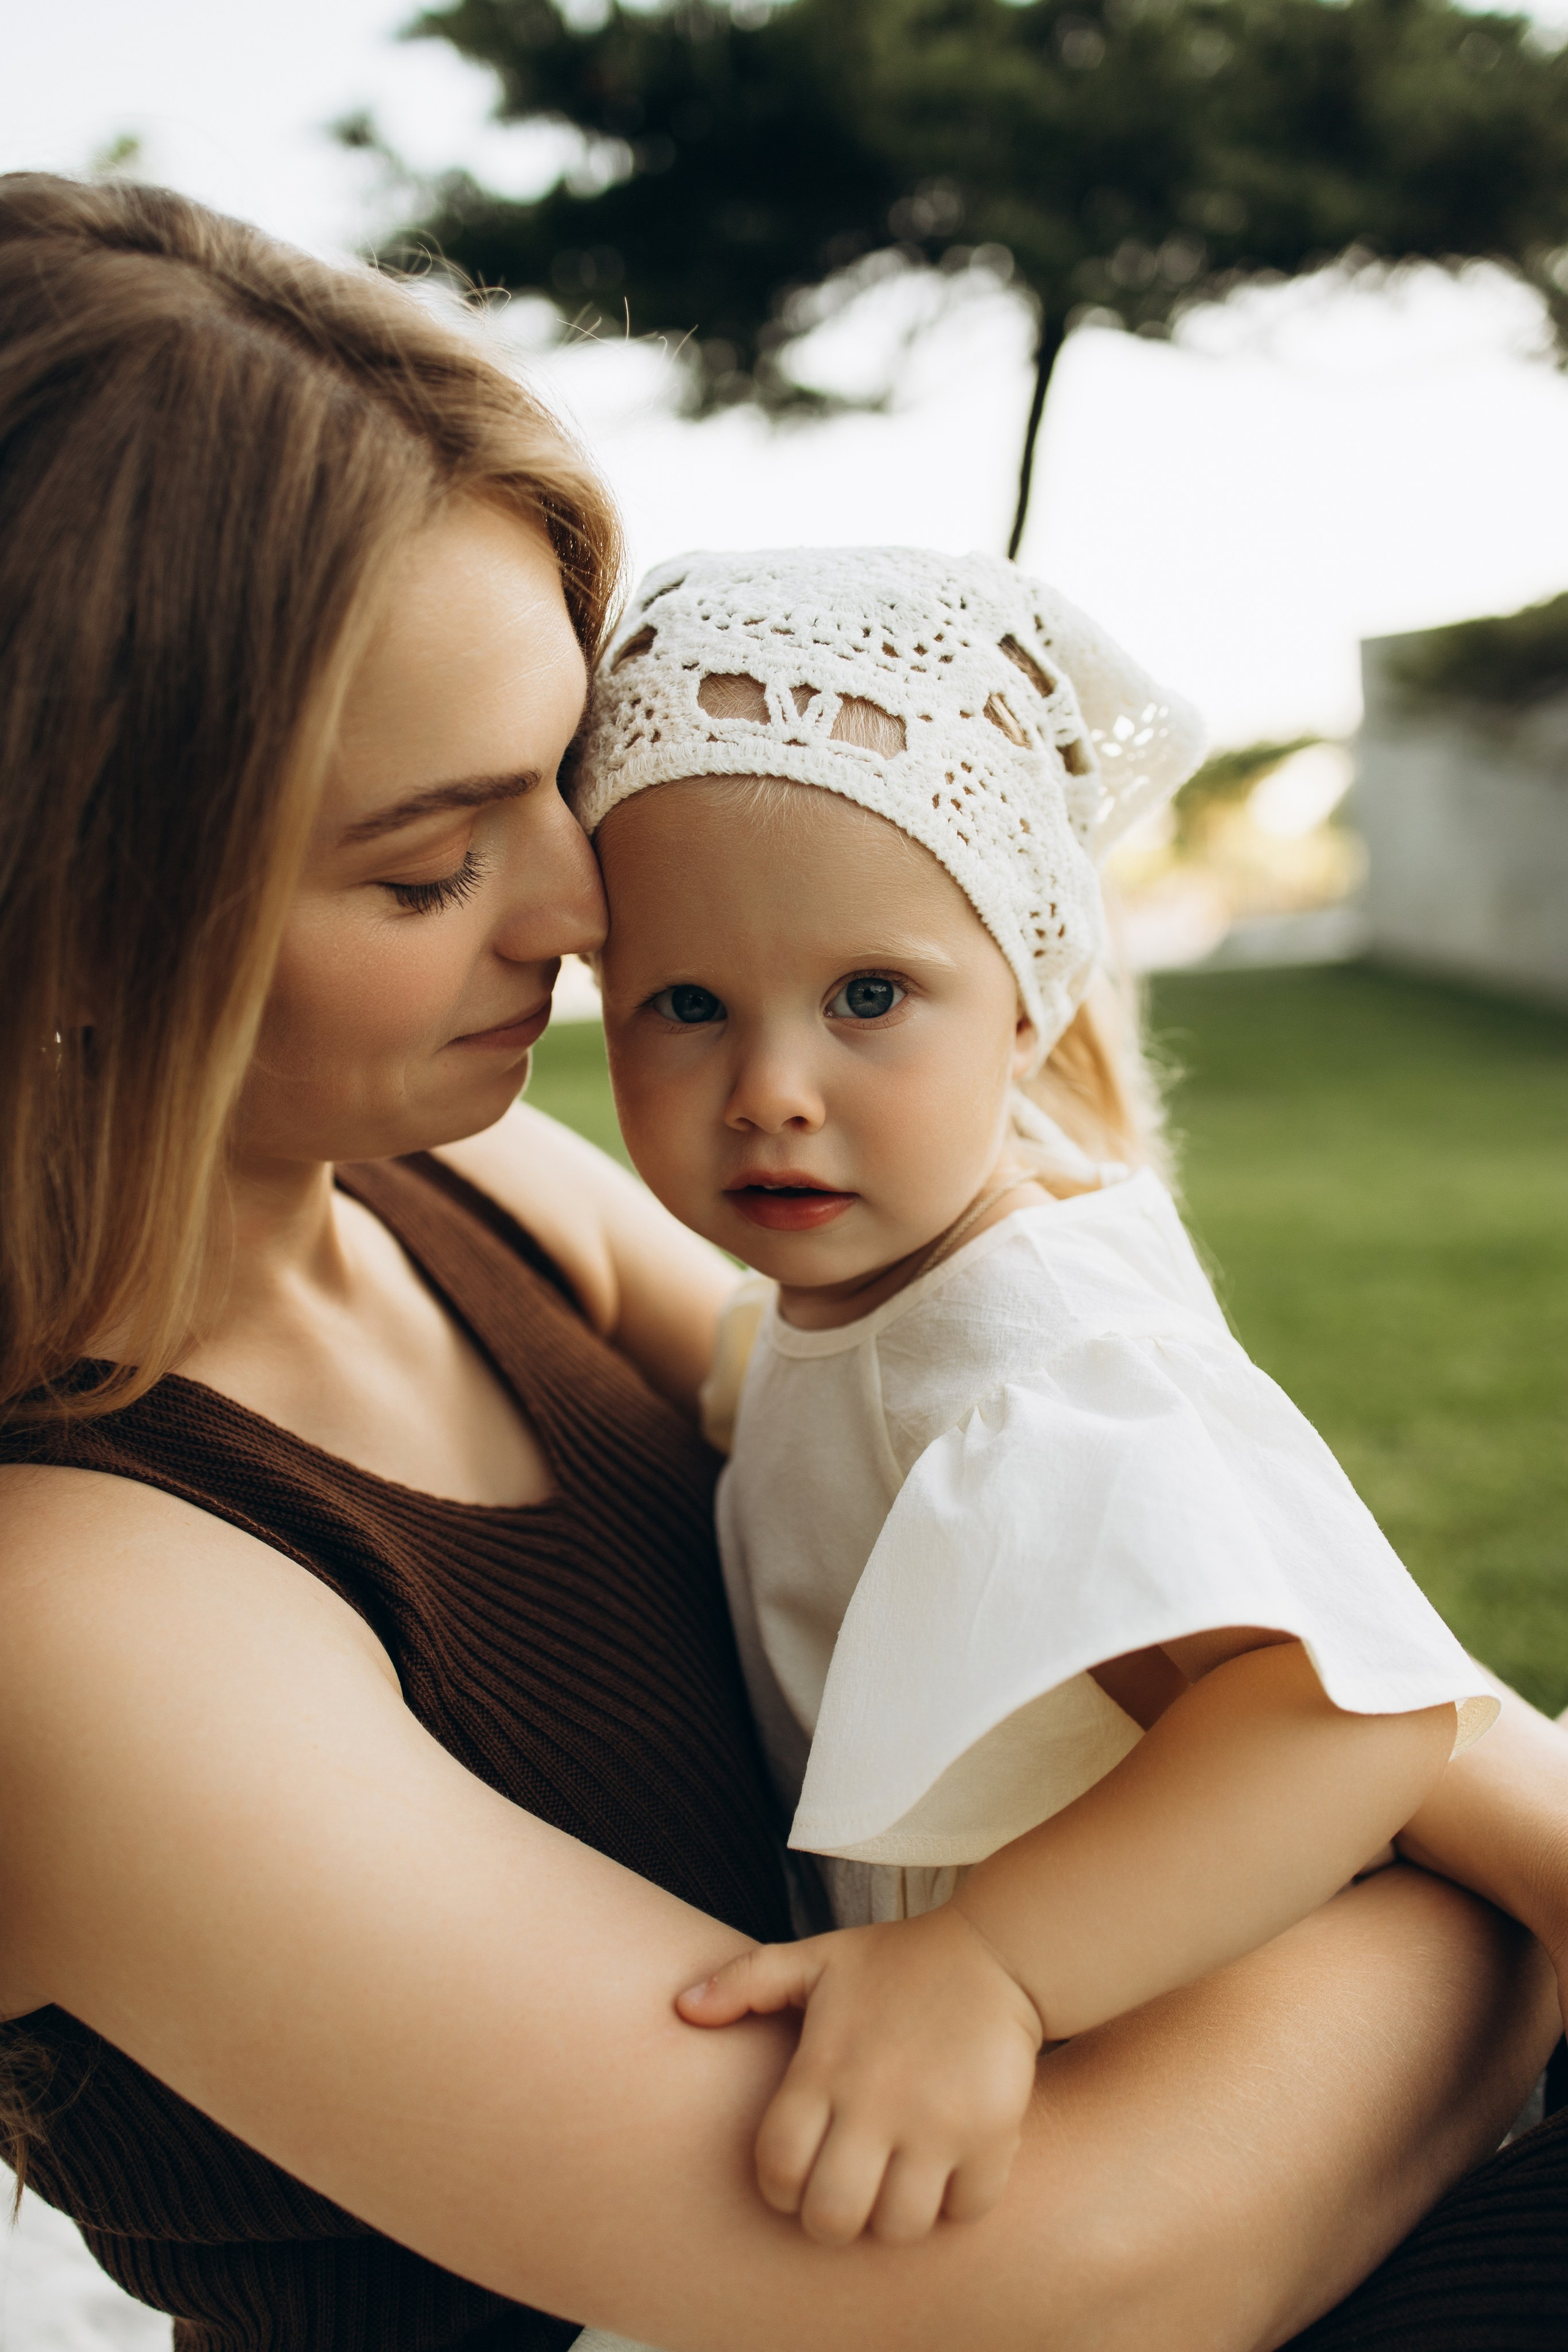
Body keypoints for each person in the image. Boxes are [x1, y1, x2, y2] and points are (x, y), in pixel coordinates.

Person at [0, 171, 1566, 2352]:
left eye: (558, 778)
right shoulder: (68, 1617)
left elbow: (1073, 1488)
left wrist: (1395, 1772)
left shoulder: (449, 1199)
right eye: (433, 859)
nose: (580, 907)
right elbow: (1064, 2288)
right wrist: (1490, 1912)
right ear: (67, 913)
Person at [571, 545, 1555, 2251]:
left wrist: (996, 1966)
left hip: (1206, 2084)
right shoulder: (875, 1303)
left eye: (867, 996)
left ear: (1023, 1002)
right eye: (687, 1005)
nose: (772, 1092)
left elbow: (1346, 1717)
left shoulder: (1027, 1359)